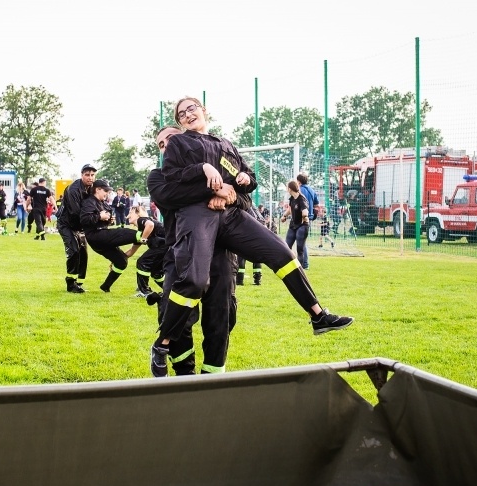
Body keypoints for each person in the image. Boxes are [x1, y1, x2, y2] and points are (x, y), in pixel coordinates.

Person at [151, 96, 353, 375]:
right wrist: (207, 177)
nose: (187, 114)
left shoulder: (225, 145)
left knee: (281, 254)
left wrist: (241, 185)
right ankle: (163, 345)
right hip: (193, 228)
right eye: (181, 113)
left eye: (191, 108)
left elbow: (244, 179)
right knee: (193, 284)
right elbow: (171, 184)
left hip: (228, 224)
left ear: (204, 111)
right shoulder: (179, 145)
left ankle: (318, 315)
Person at [147, 125, 237, 376]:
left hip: (221, 253)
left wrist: (228, 194)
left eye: (171, 139)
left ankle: (212, 377)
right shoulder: (157, 176)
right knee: (178, 316)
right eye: (161, 144)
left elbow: (241, 196)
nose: (166, 145)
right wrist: (214, 188)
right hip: (180, 251)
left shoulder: (220, 165)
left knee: (222, 316)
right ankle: (184, 373)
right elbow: (171, 196)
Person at [80, 180, 144, 292]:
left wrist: (109, 220)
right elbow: (84, 220)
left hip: (101, 238)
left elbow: (103, 219)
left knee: (121, 261)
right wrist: (100, 217)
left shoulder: (103, 203)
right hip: (96, 236)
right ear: (97, 190)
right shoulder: (89, 202)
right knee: (122, 232)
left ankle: (105, 286)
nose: (107, 194)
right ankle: (151, 237)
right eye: (106, 191)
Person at [56, 164, 96, 293]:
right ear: (81, 175)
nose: (90, 178)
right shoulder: (73, 189)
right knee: (74, 251)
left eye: (92, 175)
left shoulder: (93, 188)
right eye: (87, 175)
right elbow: (75, 212)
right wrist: (96, 219)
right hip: (66, 224)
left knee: (83, 252)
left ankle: (79, 282)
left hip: (80, 225)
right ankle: (70, 283)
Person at [126, 205, 165, 297]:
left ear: (138, 214)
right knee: (156, 273)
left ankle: (145, 292)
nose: (128, 215)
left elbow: (150, 225)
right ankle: (170, 290)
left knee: (142, 262)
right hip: (166, 246)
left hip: (163, 246)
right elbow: (132, 250)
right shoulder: (142, 229)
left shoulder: (142, 220)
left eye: (131, 213)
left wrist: (143, 238)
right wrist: (118, 259)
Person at [282, 180, 310, 267]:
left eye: (287, 187)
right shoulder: (292, 198)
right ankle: (289, 265)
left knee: (300, 249)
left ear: (290, 189)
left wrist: (305, 216)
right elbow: (290, 209)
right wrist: (284, 216)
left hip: (302, 226)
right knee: (286, 246)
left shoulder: (302, 198)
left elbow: (305, 211)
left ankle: (300, 268)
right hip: (293, 225)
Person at [296, 172, 319, 269]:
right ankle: (302, 263)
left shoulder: (299, 190)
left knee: (301, 241)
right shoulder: (311, 190)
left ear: (299, 181)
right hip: (308, 218)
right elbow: (316, 205)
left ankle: (304, 264)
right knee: (301, 241)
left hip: (300, 218)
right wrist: (312, 214)